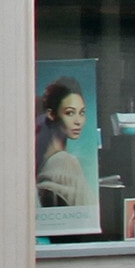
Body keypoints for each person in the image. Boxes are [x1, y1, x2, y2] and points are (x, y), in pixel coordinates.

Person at [36, 78, 94, 210]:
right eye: (70, 113)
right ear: (51, 114)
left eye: (82, 113)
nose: (78, 121)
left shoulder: (50, 160)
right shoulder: (64, 161)